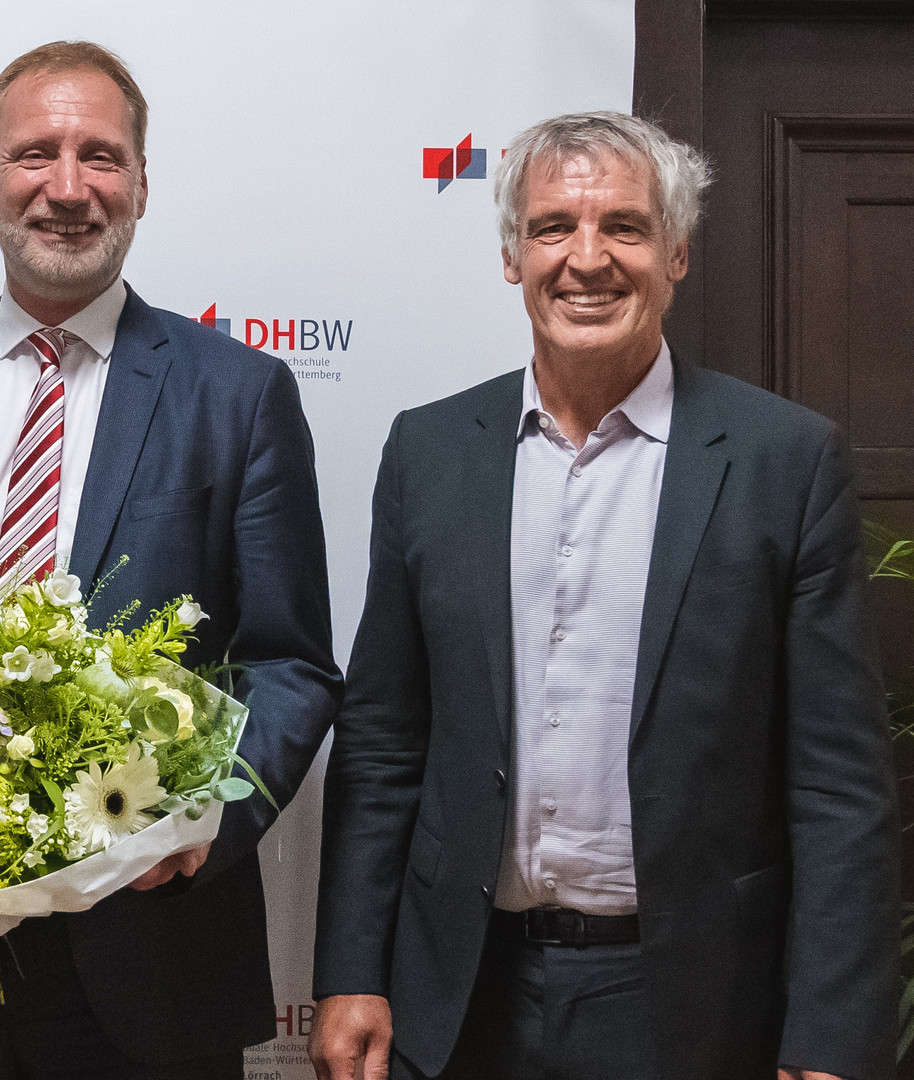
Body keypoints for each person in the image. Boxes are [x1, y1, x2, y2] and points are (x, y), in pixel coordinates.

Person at [0, 40, 341, 1080]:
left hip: (155, 957)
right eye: (37, 152)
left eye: (101, 155)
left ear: (141, 184)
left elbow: (290, 663)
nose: (69, 187)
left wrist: (198, 823)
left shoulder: (240, 395)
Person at [310, 112, 899, 1080]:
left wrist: (831, 1034)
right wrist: (347, 972)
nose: (588, 258)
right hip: (459, 994)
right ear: (512, 254)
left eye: (623, 226)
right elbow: (381, 743)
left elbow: (838, 786)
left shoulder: (784, 463)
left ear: (677, 252)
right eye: (553, 228)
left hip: (689, 1003)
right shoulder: (428, 454)